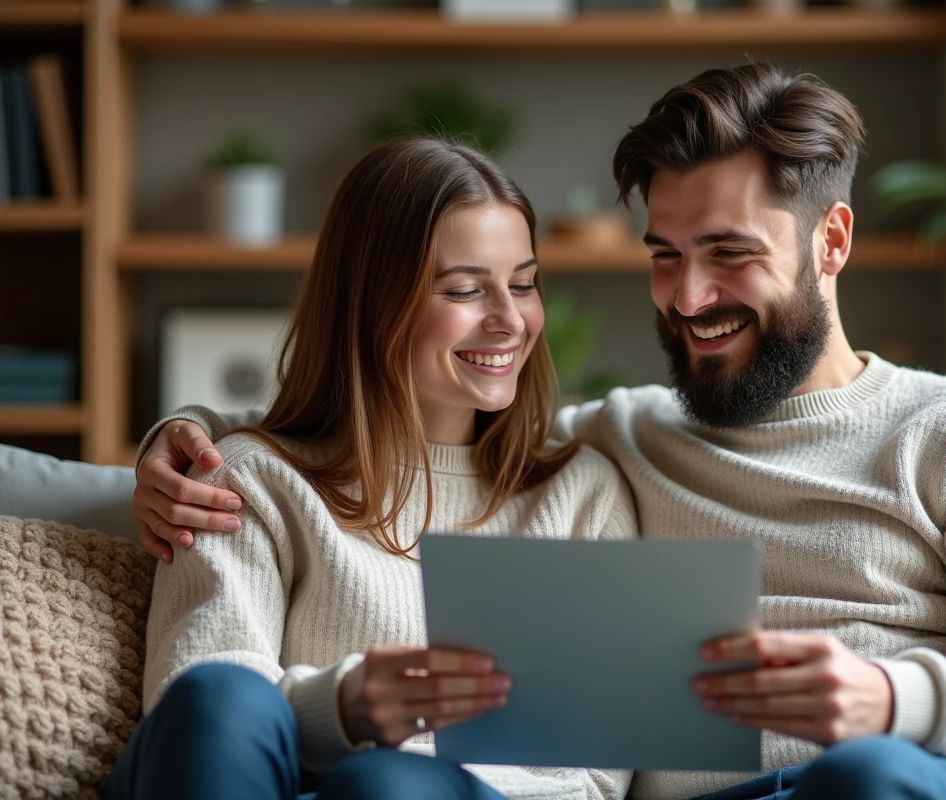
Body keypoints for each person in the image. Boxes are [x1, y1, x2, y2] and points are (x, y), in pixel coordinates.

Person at [133, 64, 946, 800]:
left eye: (728, 254)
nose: (689, 297)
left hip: (887, 775)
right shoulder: (625, 437)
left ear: (832, 241)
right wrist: (183, 437)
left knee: (867, 778)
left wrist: (890, 701)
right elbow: (409, 428)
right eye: (665, 255)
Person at [109, 137, 635, 800]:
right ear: (371, 303)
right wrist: (342, 710)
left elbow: (596, 776)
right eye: (465, 290)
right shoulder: (247, 482)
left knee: (386, 784)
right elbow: (194, 715)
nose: (510, 320)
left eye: (524, 285)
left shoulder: (583, 495)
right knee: (223, 695)